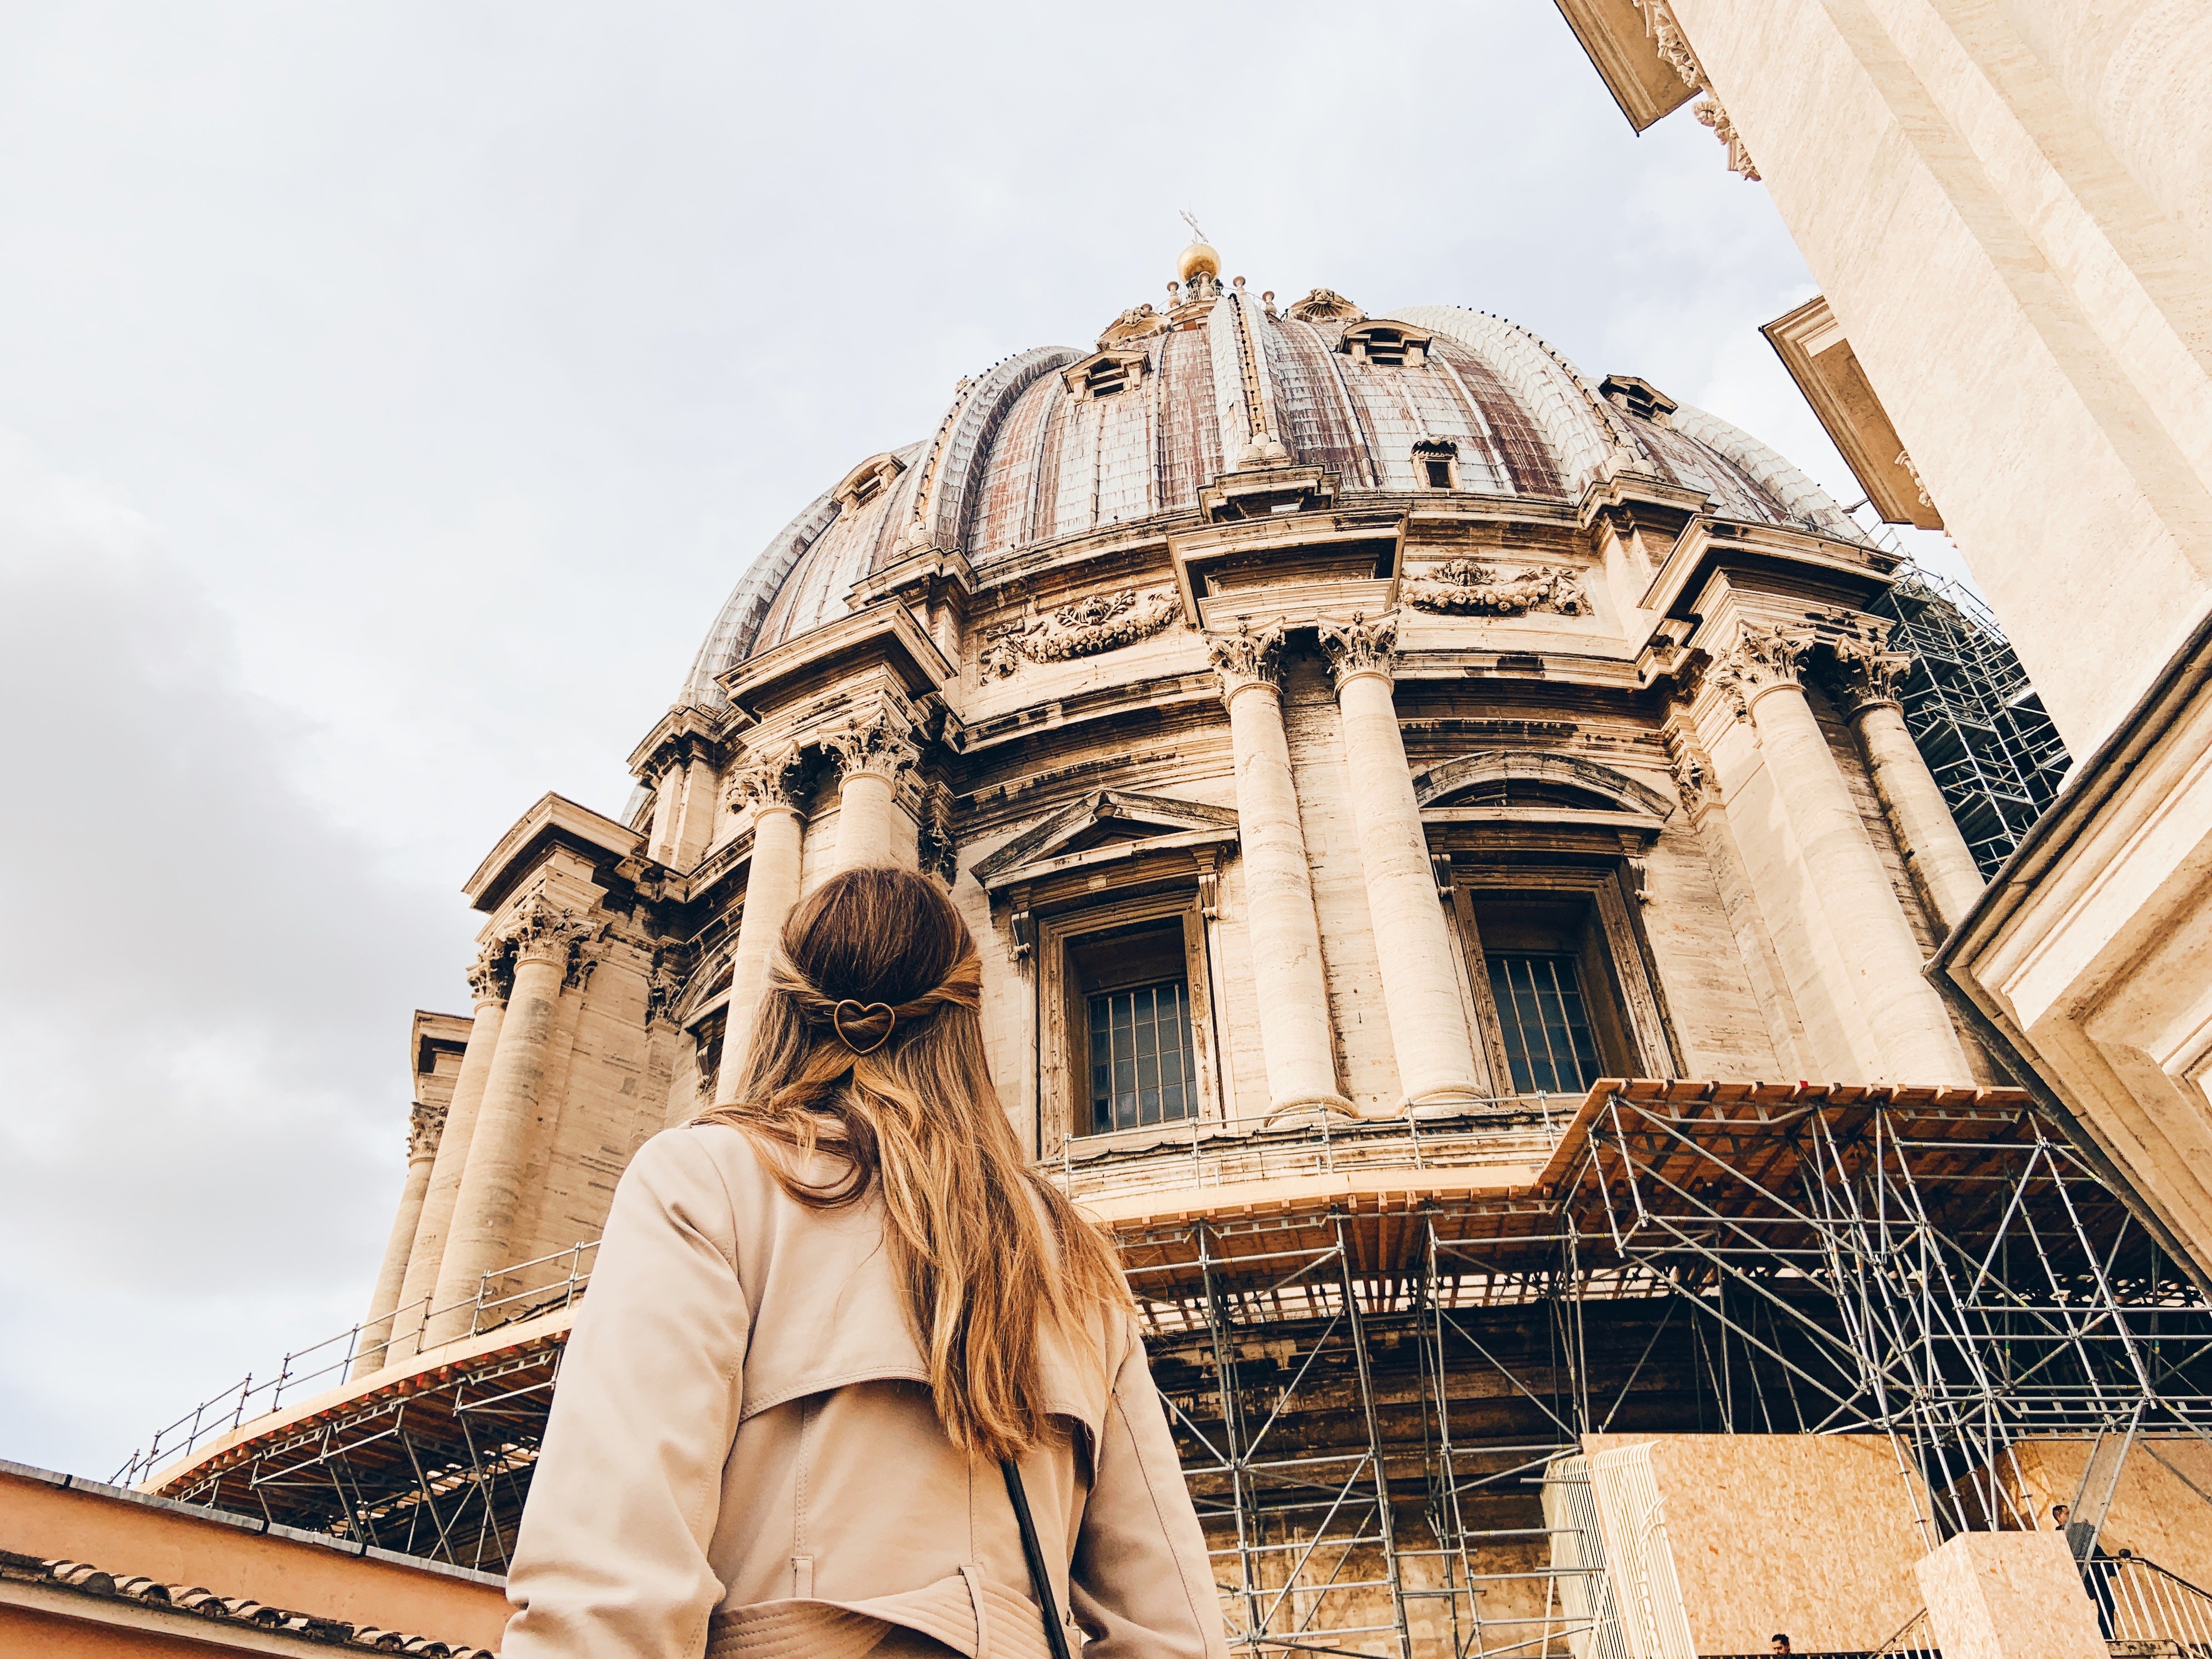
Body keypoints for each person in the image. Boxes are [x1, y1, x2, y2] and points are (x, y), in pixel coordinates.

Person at [499, 866, 1229, 1659]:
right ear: (966, 1018)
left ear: (782, 1003)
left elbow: (610, 1567)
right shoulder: (1073, 1253)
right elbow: (1173, 1626)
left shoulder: (706, 1180)